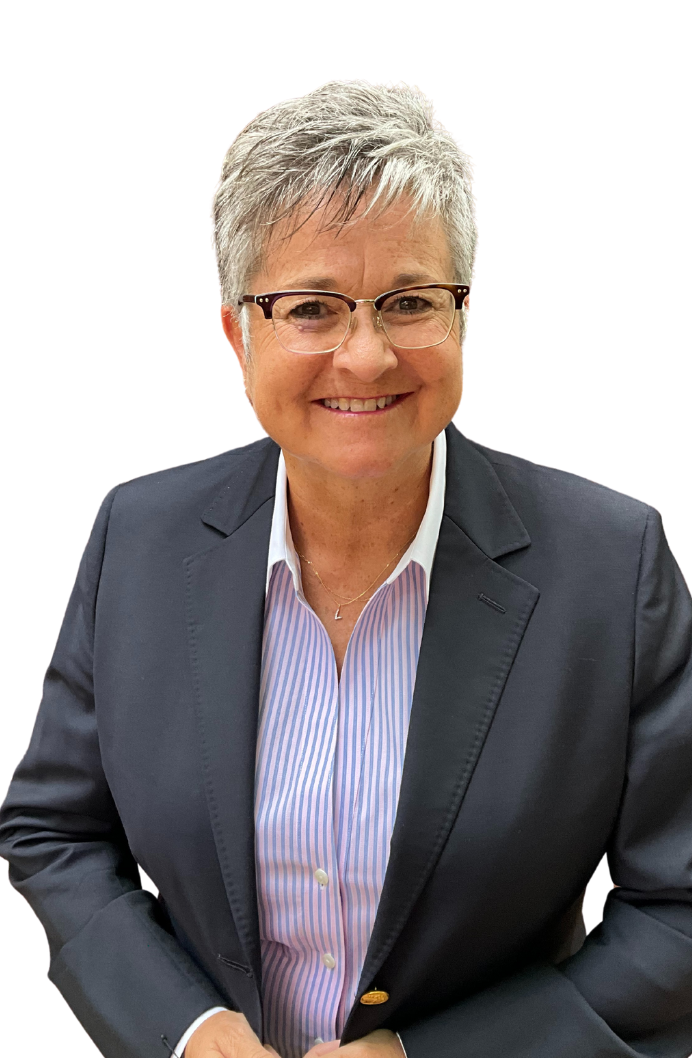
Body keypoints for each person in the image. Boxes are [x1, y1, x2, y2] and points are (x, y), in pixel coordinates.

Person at [2, 80, 692, 1058]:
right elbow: (55, 831)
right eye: (311, 308)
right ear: (239, 331)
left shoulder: (610, 570)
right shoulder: (140, 538)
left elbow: (678, 908)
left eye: (409, 300)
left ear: (461, 316)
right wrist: (186, 1031)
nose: (365, 355)